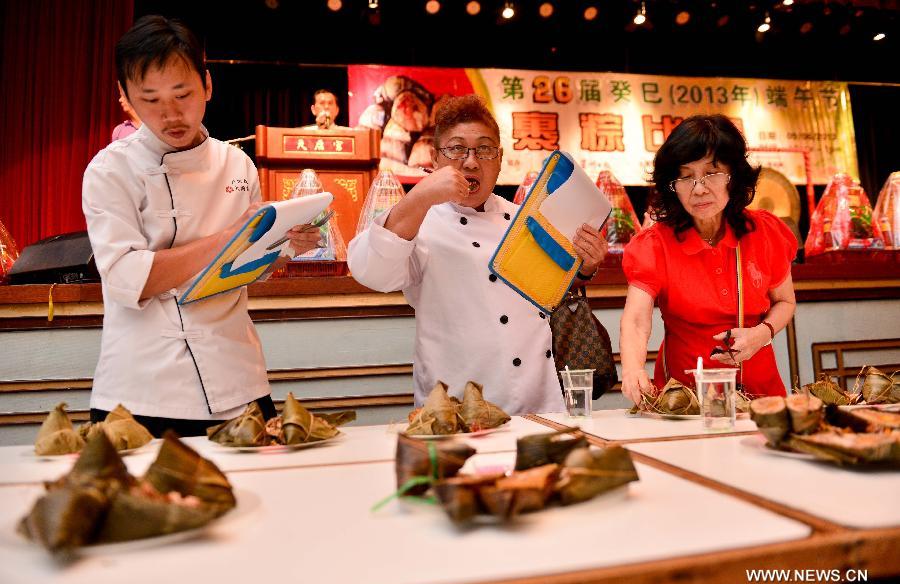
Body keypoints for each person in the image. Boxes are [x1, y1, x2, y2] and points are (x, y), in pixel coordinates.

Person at [82, 16, 320, 437]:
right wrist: (231, 236)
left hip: (237, 378)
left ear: (207, 85)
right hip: (144, 388)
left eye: (183, 94)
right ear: (125, 98)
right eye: (150, 99)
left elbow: (243, 269)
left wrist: (282, 246)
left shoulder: (236, 164)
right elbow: (126, 278)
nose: (170, 113)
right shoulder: (109, 170)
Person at [348, 94, 608, 414]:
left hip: (540, 404)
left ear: (499, 159)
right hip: (458, 409)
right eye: (457, 149)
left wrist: (586, 267)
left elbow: (549, 292)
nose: (471, 161)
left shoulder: (523, 218)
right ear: (435, 158)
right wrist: (422, 194)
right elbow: (370, 270)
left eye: (484, 149)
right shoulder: (421, 222)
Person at [619, 114, 797, 404]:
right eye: (686, 177)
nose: (699, 188)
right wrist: (632, 368)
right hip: (685, 400)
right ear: (672, 187)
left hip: (759, 397)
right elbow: (637, 320)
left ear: (734, 177)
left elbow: (785, 302)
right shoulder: (656, 244)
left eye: (711, 173)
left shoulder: (765, 232)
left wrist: (762, 334)